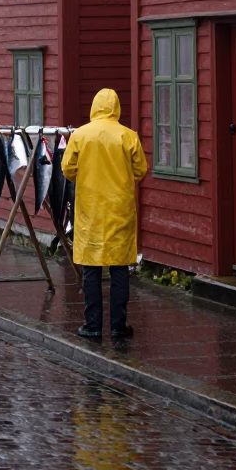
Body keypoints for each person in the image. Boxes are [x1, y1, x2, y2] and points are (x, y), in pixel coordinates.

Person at [61, 89, 147, 340]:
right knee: (120, 268)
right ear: (116, 108)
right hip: (119, 209)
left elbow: (67, 168)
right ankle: (119, 325)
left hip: (91, 209)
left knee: (91, 268)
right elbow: (140, 170)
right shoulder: (128, 136)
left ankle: (92, 324)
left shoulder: (80, 135)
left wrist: (86, 178)